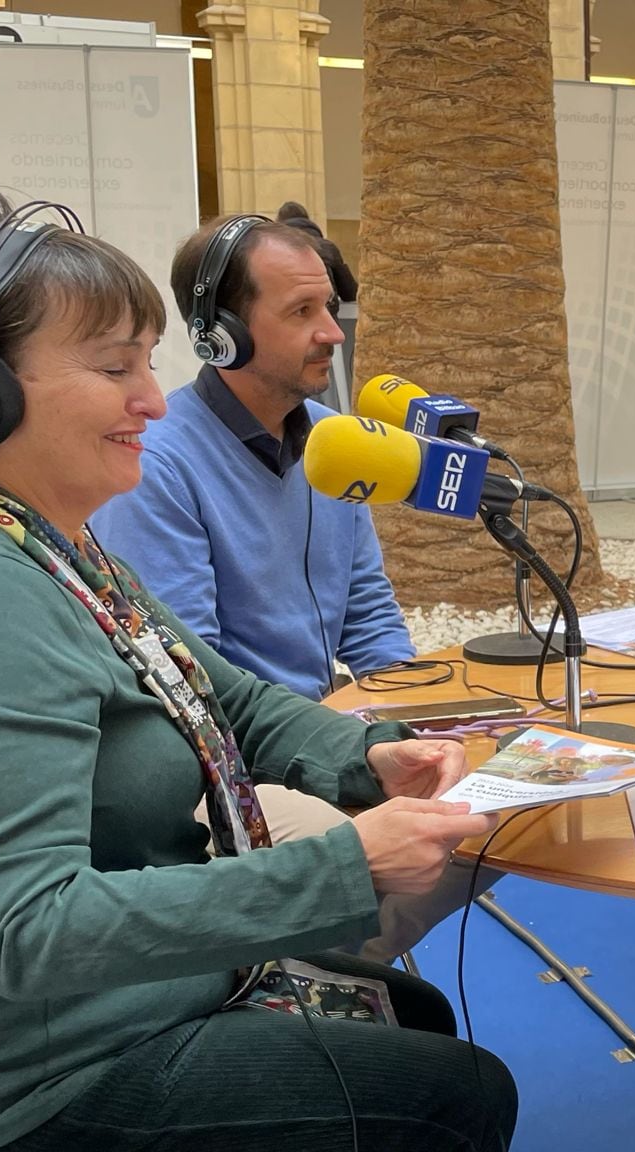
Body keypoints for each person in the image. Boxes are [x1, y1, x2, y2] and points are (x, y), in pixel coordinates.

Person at [0, 204, 516, 1151]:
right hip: (54, 1073)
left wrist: (370, 755)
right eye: (114, 368)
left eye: (149, 361)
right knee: (462, 1090)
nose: (153, 397)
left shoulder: (55, 547)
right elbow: (28, 930)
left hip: (140, 1000)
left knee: (416, 1015)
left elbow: (220, 693)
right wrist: (342, 864)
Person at [88, 214, 480, 964]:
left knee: (488, 803)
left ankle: (332, 984)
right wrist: (338, 753)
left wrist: (410, 723)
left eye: (329, 308)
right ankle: (300, 990)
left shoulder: (337, 444)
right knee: (433, 847)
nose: (332, 332)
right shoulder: (161, 466)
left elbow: (368, 613)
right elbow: (195, 682)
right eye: (301, 312)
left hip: (329, 735)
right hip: (235, 761)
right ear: (221, 335)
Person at [275, 199, 359, 304]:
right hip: (326, 314)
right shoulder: (328, 247)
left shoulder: (274, 250)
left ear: (279, 222)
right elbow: (350, 293)